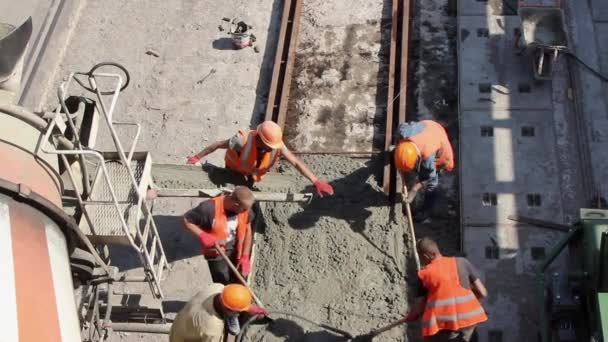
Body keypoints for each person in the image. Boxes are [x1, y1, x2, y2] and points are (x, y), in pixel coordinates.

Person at [186, 121, 334, 197]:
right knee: (230, 194)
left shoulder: (276, 144)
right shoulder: (241, 140)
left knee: (248, 189)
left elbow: (295, 161)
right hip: (233, 170)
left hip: (252, 173)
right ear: (260, 138)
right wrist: (197, 157)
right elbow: (218, 145)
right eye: (269, 145)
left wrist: (315, 181)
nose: (273, 148)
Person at [405, 238, 488, 342]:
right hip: (469, 321)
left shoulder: (424, 274)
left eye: (421, 257)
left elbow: (418, 306)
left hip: (446, 326)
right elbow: (483, 292)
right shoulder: (462, 262)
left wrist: (411, 317)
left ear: (426, 256)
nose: (421, 261)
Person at [182, 186, 255, 284]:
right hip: (216, 251)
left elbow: (247, 231)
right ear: (236, 204)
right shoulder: (208, 208)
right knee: (222, 280)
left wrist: (245, 256)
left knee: (239, 278)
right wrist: (203, 235)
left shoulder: (245, 210)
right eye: (244, 209)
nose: (246, 211)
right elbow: (186, 220)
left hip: (237, 248)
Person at [394, 120, 454, 222]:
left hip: (441, 150)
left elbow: (427, 178)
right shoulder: (404, 131)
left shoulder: (428, 160)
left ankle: (425, 213)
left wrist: (413, 190)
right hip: (430, 126)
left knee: (432, 184)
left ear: (418, 159)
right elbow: (401, 127)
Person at [170, 283, 267, 341]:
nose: (240, 313)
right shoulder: (212, 328)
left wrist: (249, 308)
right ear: (228, 310)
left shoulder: (217, 288)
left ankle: (231, 316)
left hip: (182, 321)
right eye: (238, 312)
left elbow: (231, 299)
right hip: (183, 338)